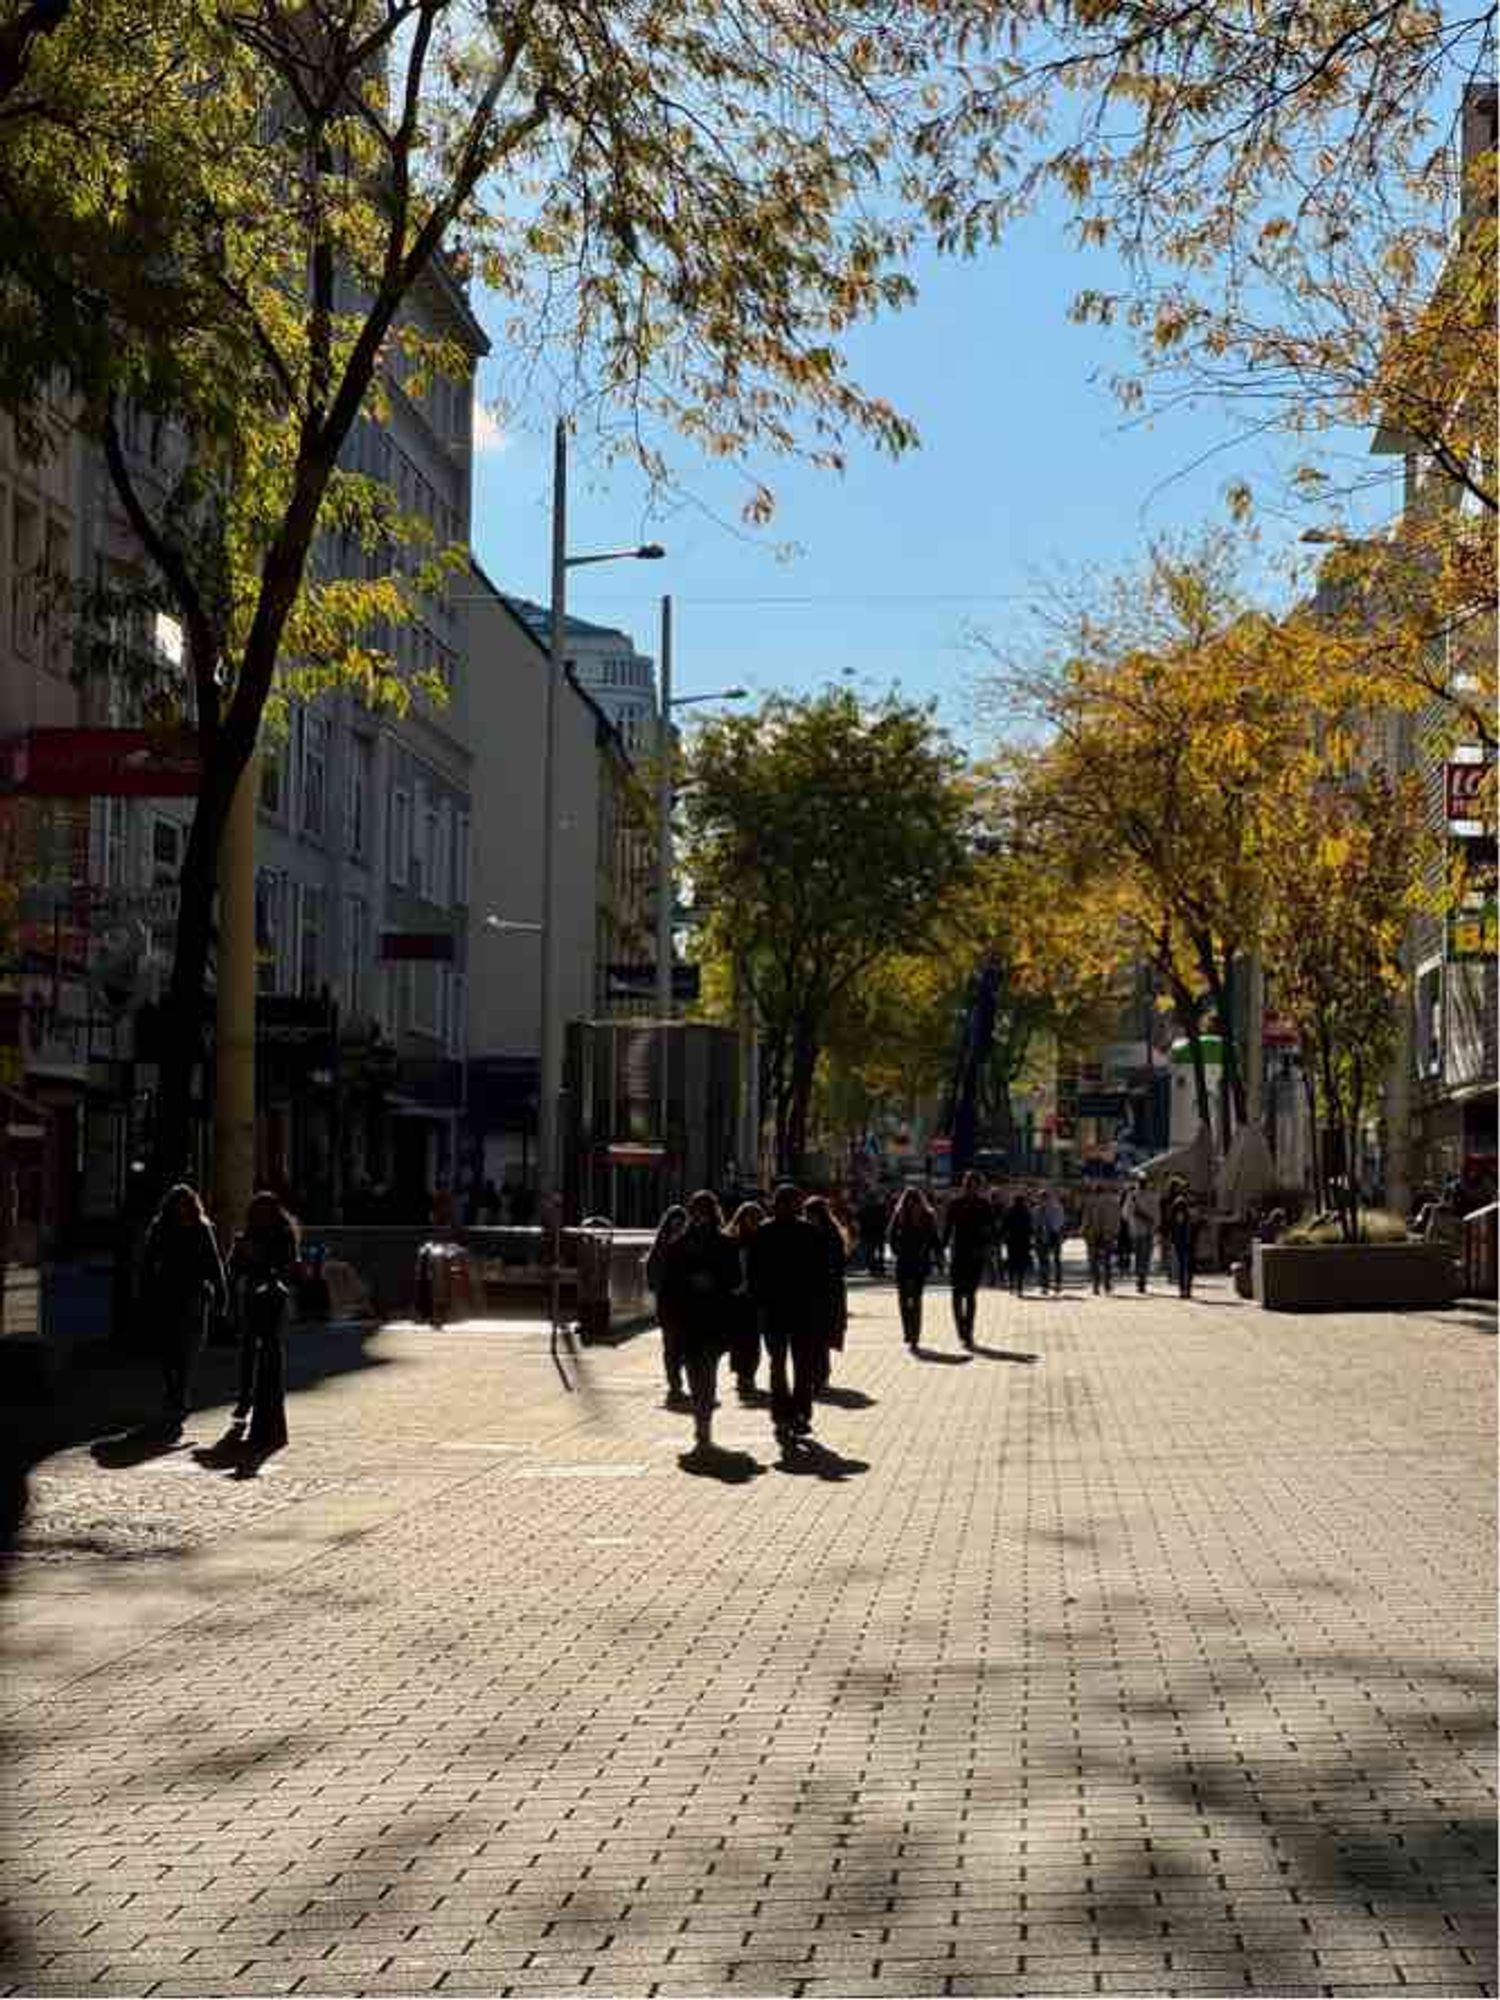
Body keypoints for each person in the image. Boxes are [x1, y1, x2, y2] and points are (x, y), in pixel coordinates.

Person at [139, 1182, 228, 1437]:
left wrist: (222, 1295)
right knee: (169, 1348)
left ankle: (181, 1394)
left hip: (194, 1295)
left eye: (184, 1204)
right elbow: (148, 1261)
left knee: (188, 1348)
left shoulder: (202, 1228)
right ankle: (173, 1391)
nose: (181, 1209)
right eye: (177, 1204)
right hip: (167, 1294)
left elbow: (214, 1263)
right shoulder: (160, 1228)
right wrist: (145, 1292)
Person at [748, 1182, 831, 1452]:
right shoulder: (808, 1233)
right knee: (796, 1365)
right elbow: (821, 1274)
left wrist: (759, 1301)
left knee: (782, 1365)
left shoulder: (766, 1232)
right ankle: (796, 1414)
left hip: (778, 1311)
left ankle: (786, 1415)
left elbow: (754, 1273)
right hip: (797, 1311)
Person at [659, 1190, 742, 1456]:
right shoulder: (679, 1244)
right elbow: (669, 1283)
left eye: (704, 1211)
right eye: (697, 1211)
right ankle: (702, 1418)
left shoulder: (723, 1243)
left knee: (705, 1371)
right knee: (699, 1372)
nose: (701, 1216)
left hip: (710, 1319)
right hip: (693, 1319)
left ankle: (703, 1421)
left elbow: (735, 1280)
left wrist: (712, 1281)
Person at [228, 1190, 298, 1458]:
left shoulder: (283, 1234)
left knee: (270, 1349)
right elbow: (234, 1266)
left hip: (273, 1299)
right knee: (248, 1347)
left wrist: (261, 1263)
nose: (261, 1216)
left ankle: (263, 1407)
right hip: (251, 1297)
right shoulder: (247, 1235)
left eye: (265, 1211)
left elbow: (287, 1266)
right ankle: (246, 1397)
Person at [803, 1195, 850, 1393]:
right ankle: (816, 1376)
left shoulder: (831, 1234)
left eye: (812, 1215)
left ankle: (821, 1377)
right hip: (812, 1292)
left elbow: (839, 1264)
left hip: (827, 1291)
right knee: (812, 1337)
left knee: (821, 1336)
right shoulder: (804, 1232)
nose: (809, 1218)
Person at [941, 1169, 993, 1348]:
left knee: (969, 1294)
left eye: (975, 1185)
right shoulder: (956, 1204)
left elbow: (991, 1229)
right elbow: (948, 1229)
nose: (972, 1188)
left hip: (974, 1254)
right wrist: (941, 1249)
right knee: (957, 1293)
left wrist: (988, 1247)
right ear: (965, 1185)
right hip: (960, 1253)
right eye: (970, 1184)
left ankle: (967, 1331)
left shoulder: (984, 1205)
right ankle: (961, 1328)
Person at [645, 1204, 690, 1406]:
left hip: (686, 1303)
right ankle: (674, 1384)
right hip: (668, 1303)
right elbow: (652, 1271)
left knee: (683, 1346)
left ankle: (677, 1378)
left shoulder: (690, 1244)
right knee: (671, 1345)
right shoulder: (661, 1245)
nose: (678, 1226)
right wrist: (657, 1288)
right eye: (674, 1222)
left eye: (681, 1222)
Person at [888, 1186, 943, 1347]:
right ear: (905, 1202)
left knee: (916, 1298)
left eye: (915, 1201)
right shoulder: (899, 1215)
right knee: (904, 1298)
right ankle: (908, 1331)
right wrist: (897, 1250)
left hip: (919, 1262)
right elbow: (891, 1235)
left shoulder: (927, 1216)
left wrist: (938, 1257)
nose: (912, 1205)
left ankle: (915, 1335)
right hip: (904, 1261)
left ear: (919, 1201)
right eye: (909, 1202)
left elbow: (934, 1238)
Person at [726, 1199, 766, 1400]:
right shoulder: (730, 1241)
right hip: (736, 1298)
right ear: (740, 1219)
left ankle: (748, 1375)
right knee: (738, 1339)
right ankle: (742, 1375)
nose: (752, 1221)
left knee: (753, 1340)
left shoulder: (764, 1241)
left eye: (756, 1218)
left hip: (756, 1298)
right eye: (749, 1217)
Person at [1083, 1183, 1122, 1295]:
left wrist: (1083, 1231)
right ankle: (1107, 1285)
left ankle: (1096, 1285)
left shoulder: (1090, 1202)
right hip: (1108, 1234)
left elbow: (1086, 1219)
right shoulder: (1113, 1202)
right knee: (1107, 1261)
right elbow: (1117, 1219)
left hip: (1094, 1234)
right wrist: (1115, 1233)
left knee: (1094, 1261)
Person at [1165, 1179, 1197, 1298]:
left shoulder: (1181, 1202)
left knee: (1185, 1264)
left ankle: (1185, 1288)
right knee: (1186, 1264)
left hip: (1184, 1238)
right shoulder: (1182, 1203)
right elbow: (1180, 1220)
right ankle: (1185, 1288)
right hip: (1186, 1238)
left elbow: (1178, 1221)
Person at [1123, 1181, 1156, 1293]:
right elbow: (1156, 1214)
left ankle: (1140, 1280)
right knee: (1145, 1256)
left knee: (1139, 1256)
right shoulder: (1151, 1195)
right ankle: (1142, 1280)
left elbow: (1125, 1215)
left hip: (1137, 1230)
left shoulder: (1132, 1196)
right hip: (1147, 1230)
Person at [1034, 1185, 1067, 1293]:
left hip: (1054, 1236)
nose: (1041, 1201)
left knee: (1055, 1261)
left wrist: (1053, 1230)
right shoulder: (1037, 1209)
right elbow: (1034, 1224)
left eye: (1043, 1198)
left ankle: (1057, 1283)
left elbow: (1060, 1222)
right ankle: (1045, 1285)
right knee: (1044, 1262)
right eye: (1040, 1198)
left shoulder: (1056, 1208)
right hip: (1042, 1237)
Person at [1001, 1189, 1034, 1296]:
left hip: (1012, 1241)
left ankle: (1011, 1285)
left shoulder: (1009, 1211)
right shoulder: (1026, 1212)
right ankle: (1019, 1287)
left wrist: (1001, 1237)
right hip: (1023, 1241)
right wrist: (1031, 1240)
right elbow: (1030, 1228)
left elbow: (1004, 1226)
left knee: (1012, 1263)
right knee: (1021, 1265)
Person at [856, 1188, 889, 1277]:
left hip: (868, 1233)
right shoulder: (881, 1207)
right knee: (879, 1251)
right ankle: (880, 1267)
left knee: (870, 1251)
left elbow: (858, 1219)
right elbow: (886, 1219)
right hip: (879, 1232)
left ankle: (873, 1267)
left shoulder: (864, 1208)